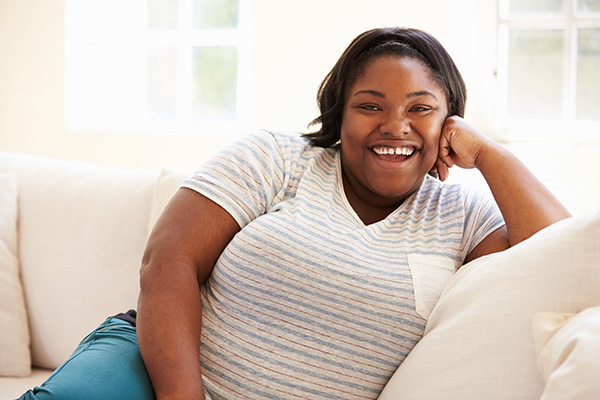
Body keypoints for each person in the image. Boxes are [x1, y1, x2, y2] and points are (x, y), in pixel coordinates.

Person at [19, 27, 571, 400]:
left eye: (420, 108)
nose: (395, 125)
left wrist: (491, 154)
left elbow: (565, 256)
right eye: (370, 105)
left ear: (451, 123)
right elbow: (168, 262)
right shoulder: (278, 158)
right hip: (148, 375)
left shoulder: (463, 217)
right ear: (340, 112)